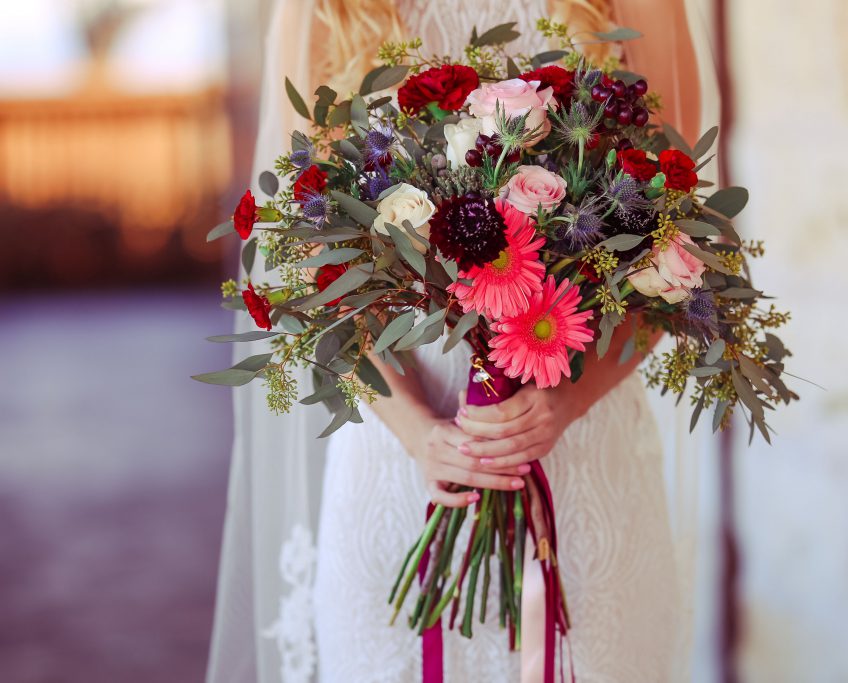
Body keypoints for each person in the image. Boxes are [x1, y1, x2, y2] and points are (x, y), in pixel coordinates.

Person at [207, 1, 705, 681]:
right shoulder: (324, 9)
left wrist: (563, 403)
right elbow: (306, 251)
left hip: (584, 464)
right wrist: (417, 431)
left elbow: (678, 242)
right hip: (397, 464)